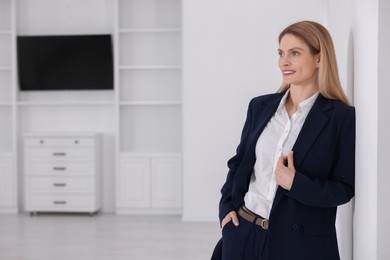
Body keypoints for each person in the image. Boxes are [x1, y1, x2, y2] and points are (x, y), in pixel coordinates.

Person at [211, 20, 356, 260]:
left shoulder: (341, 118)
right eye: (281, 53)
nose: (283, 62)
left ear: (319, 58)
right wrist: (226, 209)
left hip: (299, 247)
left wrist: (295, 183)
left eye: (294, 53)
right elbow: (238, 164)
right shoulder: (260, 106)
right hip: (243, 234)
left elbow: (343, 189)